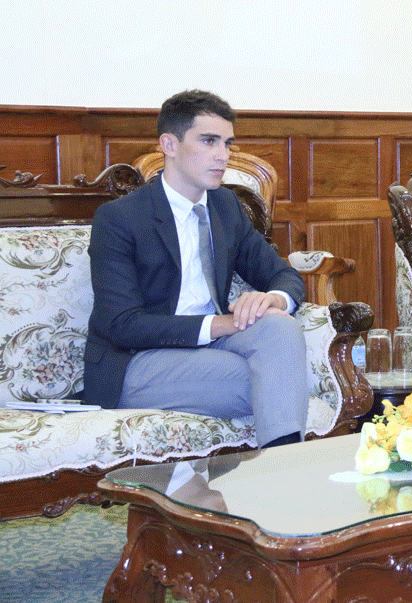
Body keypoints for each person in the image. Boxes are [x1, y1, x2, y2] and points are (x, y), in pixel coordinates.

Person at [84, 90, 308, 448]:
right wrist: (219, 324)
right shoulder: (120, 218)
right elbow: (121, 325)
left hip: (211, 350)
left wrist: (274, 300)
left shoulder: (225, 206)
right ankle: (283, 479)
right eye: (209, 141)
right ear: (169, 145)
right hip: (138, 363)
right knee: (278, 375)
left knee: (279, 330)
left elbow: (284, 276)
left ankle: (280, 472)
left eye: (227, 143)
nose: (223, 156)